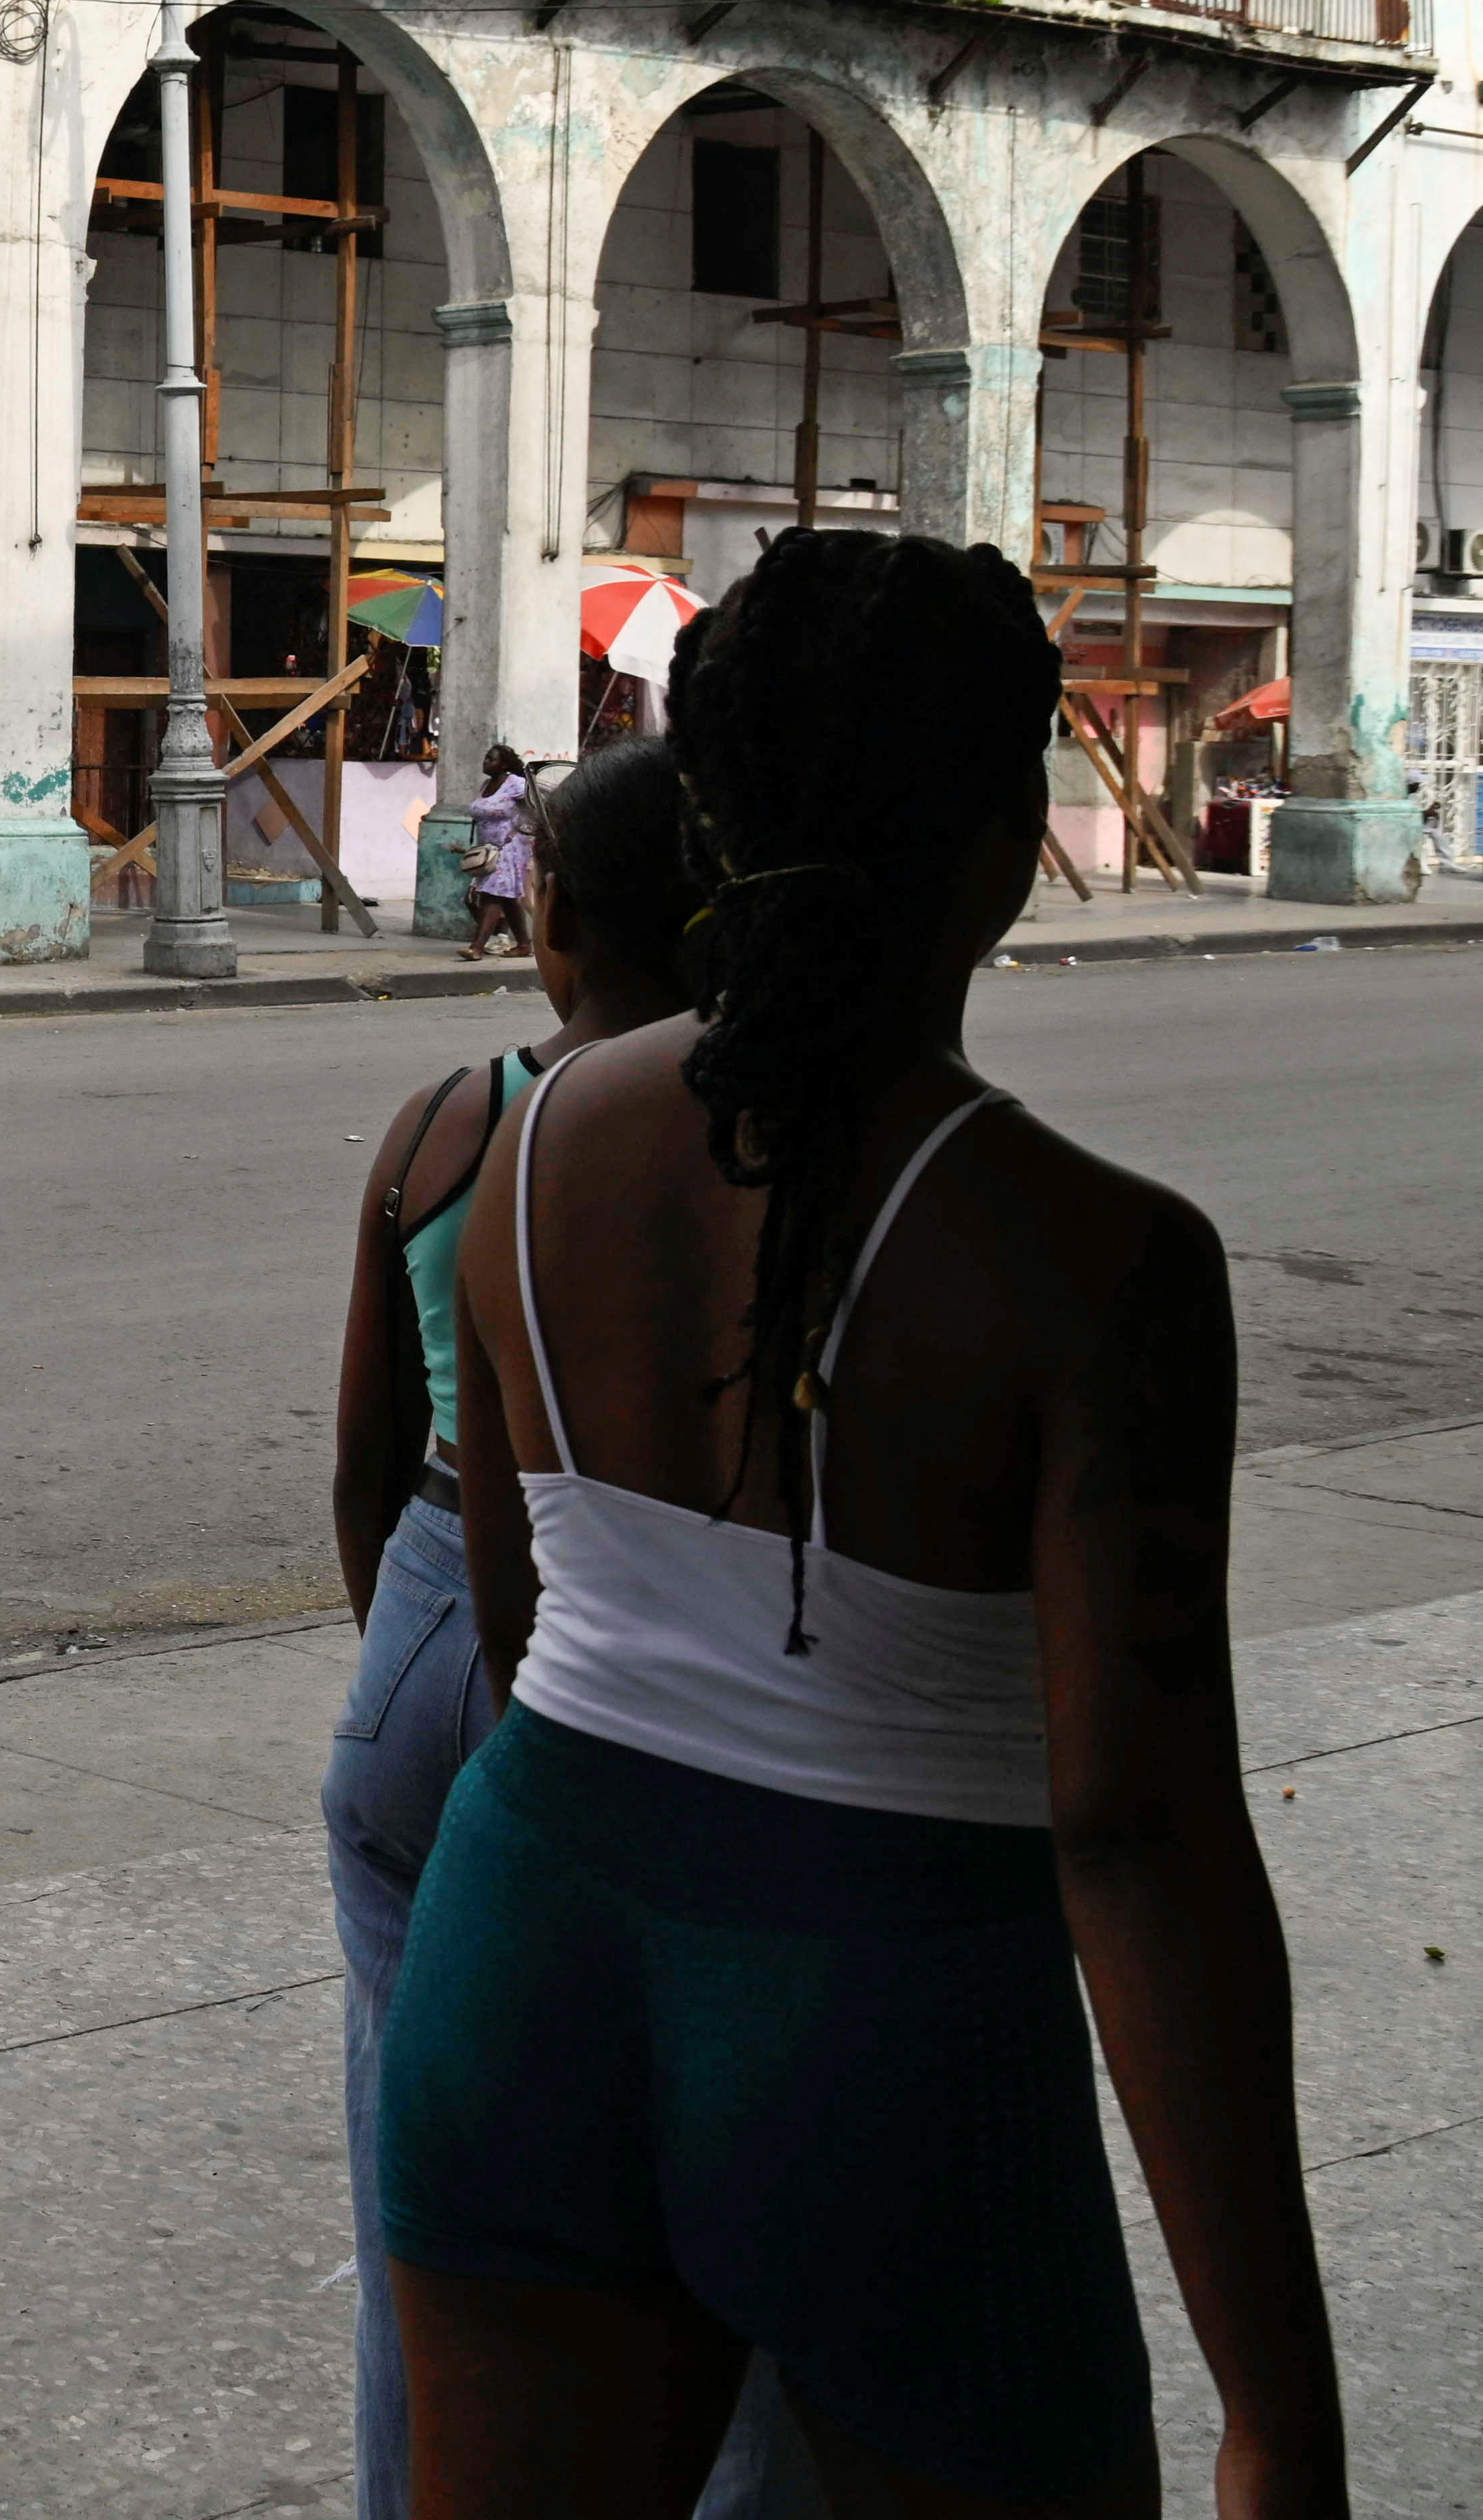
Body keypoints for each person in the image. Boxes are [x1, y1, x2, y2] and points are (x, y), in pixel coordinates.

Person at [389, 530, 1344, 2515]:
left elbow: (507, 1608)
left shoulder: (531, 1141)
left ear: (713, 820)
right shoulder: (1098, 1259)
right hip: (887, 2021)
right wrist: (1277, 2400)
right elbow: (1134, 1832)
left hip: (524, 1943)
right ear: (1006, 842)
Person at [321, 741, 816, 2520]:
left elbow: (365, 1466)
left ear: (548, 927)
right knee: (738, 2184)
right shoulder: (778, 1134)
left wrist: (418, 1647)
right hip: (657, 1652)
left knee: (419, 2199)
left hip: (434, 1620)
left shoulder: (449, 1123)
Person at [458, 745, 534, 963]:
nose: (486, 762)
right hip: (489, 851)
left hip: (511, 849)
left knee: (492, 895)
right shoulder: (486, 785)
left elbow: (536, 805)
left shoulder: (516, 784)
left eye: (491, 759)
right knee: (508, 898)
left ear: (503, 764)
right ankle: (524, 944)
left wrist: (521, 828)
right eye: (486, 758)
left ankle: (477, 948)